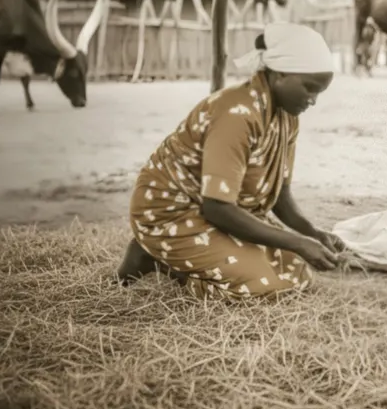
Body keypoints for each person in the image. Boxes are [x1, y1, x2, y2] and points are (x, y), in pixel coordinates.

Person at [116, 23, 345, 300]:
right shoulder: (236, 113)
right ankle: (156, 259)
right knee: (262, 285)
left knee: (296, 272)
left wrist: (313, 233)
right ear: (279, 73)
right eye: (309, 88)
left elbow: (281, 195)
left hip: (217, 211)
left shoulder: (287, 117)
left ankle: (172, 256)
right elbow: (217, 208)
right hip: (174, 213)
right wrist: (297, 242)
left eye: (320, 91)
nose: (314, 100)